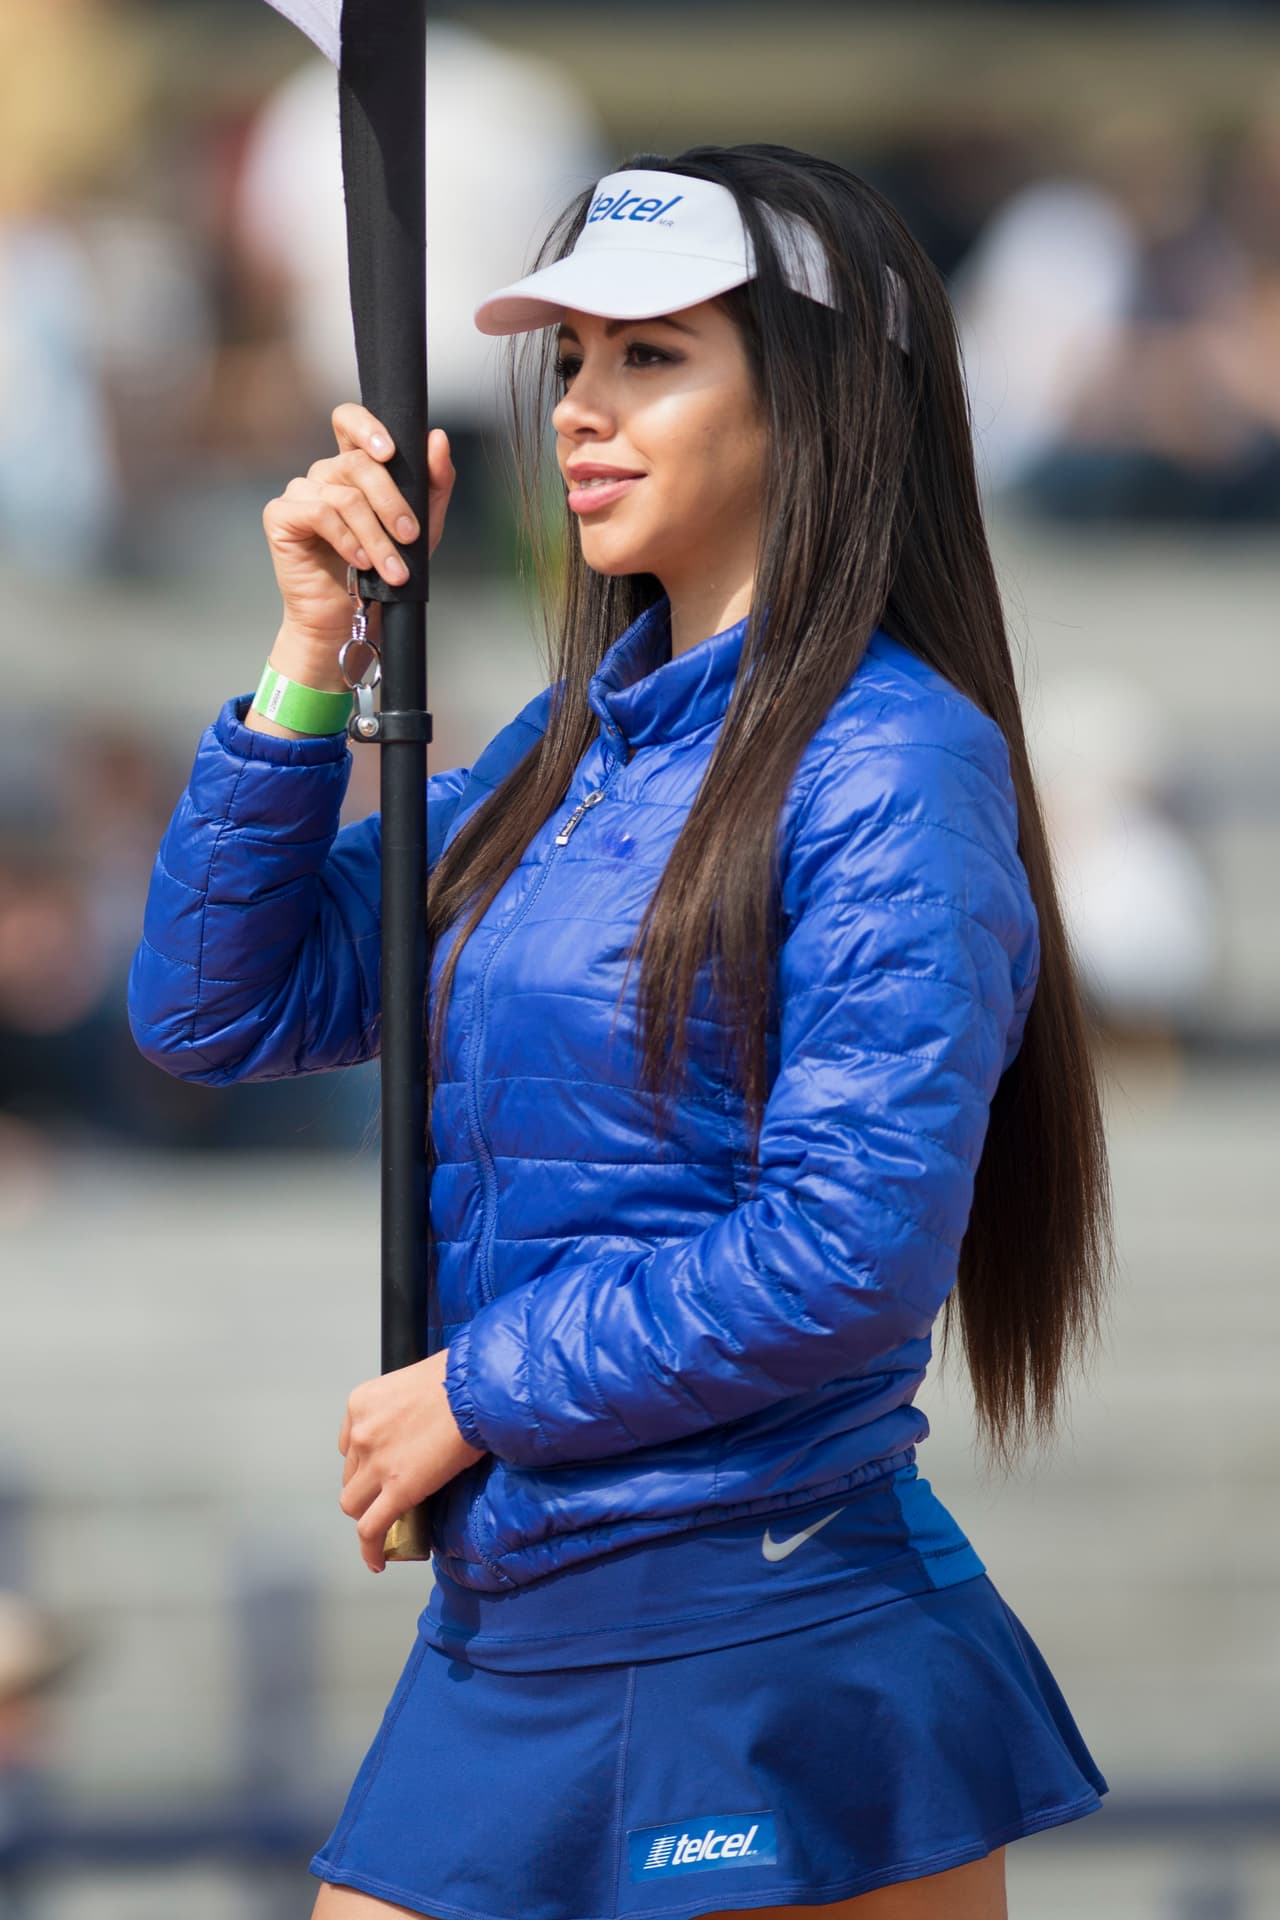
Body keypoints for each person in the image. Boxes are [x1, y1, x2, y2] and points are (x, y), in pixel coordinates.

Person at [127, 144, 1114, 1920]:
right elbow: (220, 1006)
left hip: (754, 1618)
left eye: (652, 357)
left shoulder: (895, 762)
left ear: (818, 403)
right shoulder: (569, 747)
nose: (580, 407)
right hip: (520, 1620)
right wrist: (311, 655)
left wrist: (475, 1390)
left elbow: (855, 1246)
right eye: (573, 359)